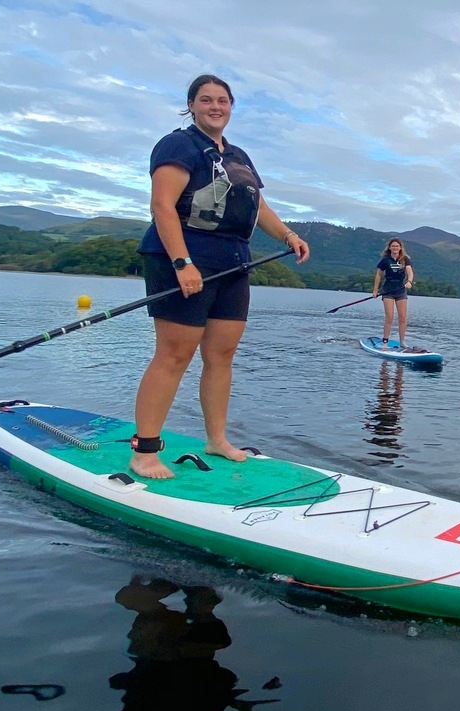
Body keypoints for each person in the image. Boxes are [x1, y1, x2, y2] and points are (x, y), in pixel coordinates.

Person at [130, 74, 310, 478]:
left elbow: (257, 206)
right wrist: (181, 262)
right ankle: (144, 450)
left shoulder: (239, 155)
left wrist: (288, 234)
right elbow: (162, 206)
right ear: (191, 104)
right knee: (174, 354)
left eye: (223, 100)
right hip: (183, 258)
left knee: (221, 355)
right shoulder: (179, 144)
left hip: (233, 262)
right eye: (206, 99)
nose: (215, 106)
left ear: (231, 107)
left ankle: (216, 439)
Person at [371, 238, 414, 349]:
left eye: (397, 246)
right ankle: (385, 342)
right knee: (389, 317)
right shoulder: (385, 260)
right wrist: (375, 290)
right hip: (388, 290)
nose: (395, 248)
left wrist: (409, 281)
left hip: (400, 290)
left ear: (400, 248)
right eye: (393, 246)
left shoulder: (405, 259)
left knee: (402, 318)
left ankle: (402, 342)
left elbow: (410, 272)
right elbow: (378, 275)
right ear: (390, 247)